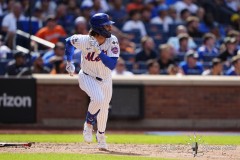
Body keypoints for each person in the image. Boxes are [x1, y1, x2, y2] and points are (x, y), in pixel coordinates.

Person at [65, 13, 120, 151]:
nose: (110, 27)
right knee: (98, 98)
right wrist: (69, 61)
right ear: (98, 28)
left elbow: (112, 64)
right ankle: (88, 124)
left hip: (106, 78)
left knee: (104, 107)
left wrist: (99, 51)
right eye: (106, 25)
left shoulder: (112, 40)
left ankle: (101, 136)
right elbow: (69, 42)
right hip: (87, 76)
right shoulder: (84, 40)